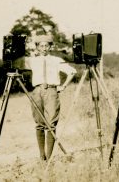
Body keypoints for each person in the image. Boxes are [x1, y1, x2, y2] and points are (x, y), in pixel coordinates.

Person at [16, 31, 77, 162]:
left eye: (46, 46)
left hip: (51, 91)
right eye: (41, 46)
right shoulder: (31, 60)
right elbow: (16, 65)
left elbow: (72, 71)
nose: (44, 48)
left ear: (50, 46)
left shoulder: (56, 60)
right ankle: (41, 156)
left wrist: (63, 86)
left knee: (51, 124)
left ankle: (49, 158)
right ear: (37, 47)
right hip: (37, 92)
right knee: (39, 124)